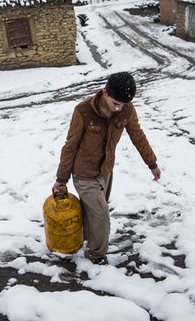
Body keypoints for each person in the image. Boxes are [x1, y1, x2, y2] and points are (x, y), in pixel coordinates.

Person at [53, 72, 161, 265]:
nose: (119, 108)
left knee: (93, 212)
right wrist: (61, 179)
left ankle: (85, 237)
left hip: (106, 172)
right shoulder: (83, 111)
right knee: (101, 214)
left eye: (123, 104)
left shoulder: (126, 110)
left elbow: (138, 136)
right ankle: (97, 255)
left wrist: (151, 163)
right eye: (115, 103)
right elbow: (70, 145)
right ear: (104, 92)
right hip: (84, 173)